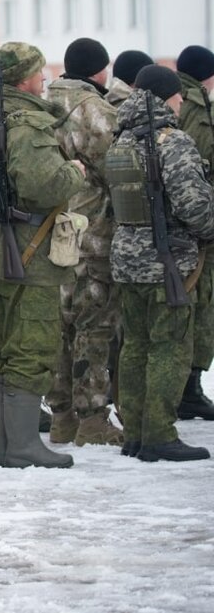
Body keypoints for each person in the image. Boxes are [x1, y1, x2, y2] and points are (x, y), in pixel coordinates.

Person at [0, 42, 87, 469]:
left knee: (2, 345)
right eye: (40, 71)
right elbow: (44, 185)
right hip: (29, 248)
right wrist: (75, 172)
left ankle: (8, 444)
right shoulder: (29, 123)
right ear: (23, 79)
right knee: (31, 344)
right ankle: (20, 447)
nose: (45, 78)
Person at [108, 65, 214, 461]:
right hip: (167, 261)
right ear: (165, 98)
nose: (182, 100)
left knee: (134, 345)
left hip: (127, 258)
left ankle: (135, 433)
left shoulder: (120, 140)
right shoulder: (174, 142)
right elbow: (194, 206)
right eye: (177, 95)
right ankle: (159, 435)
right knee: (169, 347)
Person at [44, 37, 124, 447]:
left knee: (60, 328)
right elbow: (119, 168)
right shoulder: (95, 110)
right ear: (99, 69)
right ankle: (92, 419)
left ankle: (62, 418)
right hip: (92, 234)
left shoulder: (43, 104)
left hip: (52, 234)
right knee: (94, 327)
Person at [174, 45, 214, 421]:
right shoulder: (196, 107)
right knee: (200, 308)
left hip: (186, 224)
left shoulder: (180, 96)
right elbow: (198, 166)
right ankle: (189, 391)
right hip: (197, 225)